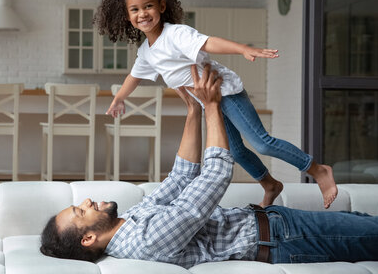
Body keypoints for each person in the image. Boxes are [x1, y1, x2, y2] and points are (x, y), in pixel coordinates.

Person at [40, 64, 378, 268]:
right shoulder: (145, 240)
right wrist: (213, 105)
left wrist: (194, 111)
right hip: (284, 240)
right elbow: (215, 175)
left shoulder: (133, 220)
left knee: (367, 225)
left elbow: (183, 175)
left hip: (278, 224)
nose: (86, 202)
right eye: (80, 211)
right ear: (88, 239)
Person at [94, 0, 337, 208]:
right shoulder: (147, 51)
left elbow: (208, 41)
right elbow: (134, 76)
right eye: (135, 9)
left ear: (162, 6)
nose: (142, 13)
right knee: (236, 152)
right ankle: (270, 184)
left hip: (225, 94)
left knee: (261, 143)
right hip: (208, 103)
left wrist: (242, 49)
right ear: (127, 16)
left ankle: (317, 169)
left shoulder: (175, 34)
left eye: (148, 6)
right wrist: (118, 99)